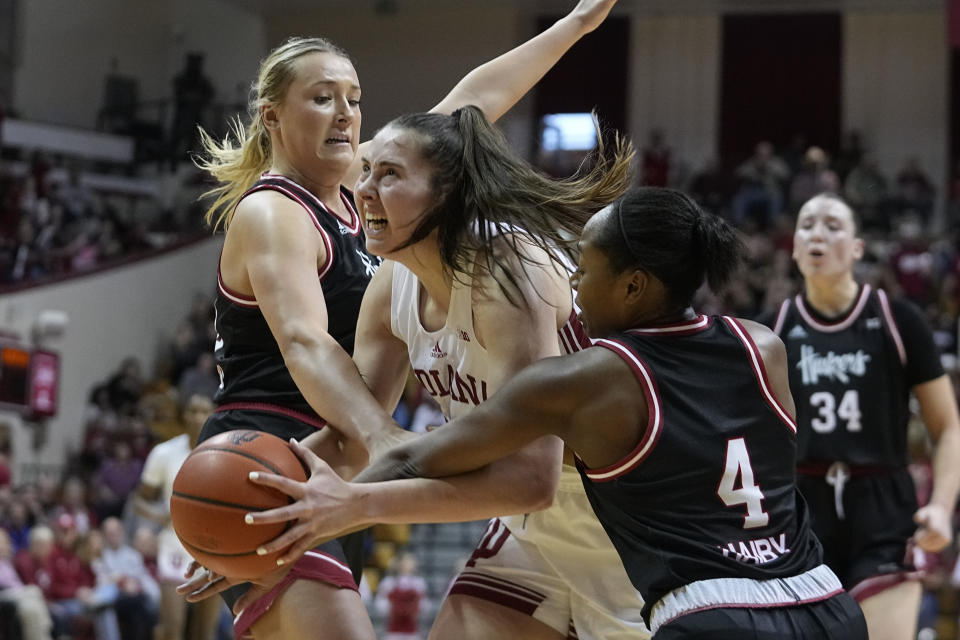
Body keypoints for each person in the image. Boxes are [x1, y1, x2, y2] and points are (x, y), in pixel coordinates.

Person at [241, 187, 868, 638]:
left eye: (586, 271)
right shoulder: (764, 346)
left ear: (633, 285)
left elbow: (416, 455)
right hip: (822, 598)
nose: (571, 286)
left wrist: (323, 513)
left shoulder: (588, 378)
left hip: (703, 611)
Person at [180, 3, 623, 639]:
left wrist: (574, 24)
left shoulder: (390, 200)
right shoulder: (277, 210)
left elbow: (467, 107)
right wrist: (382, 441)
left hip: (352, 455)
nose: (345, 113)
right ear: (272, 115)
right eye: (323, 97)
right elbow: (305, 342)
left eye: (354, 98)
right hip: (277, 439)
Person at [762, 193, 960, 640]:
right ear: (793, 248)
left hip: (884, 505)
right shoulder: (769, 331)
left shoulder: (898, 320)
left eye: (832, 225)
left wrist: (943, 507)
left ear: (856, 248)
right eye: (807, 224)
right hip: (799, 509)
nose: (817, 233)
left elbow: (947, 427)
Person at [134, 393, 222, 640]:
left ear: (213, 415)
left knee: (205, 632)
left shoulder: (227, 453)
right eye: (192, 411)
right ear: (183, 415)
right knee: (171, 627)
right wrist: (156, 520)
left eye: (203, 411)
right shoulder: (164, 453)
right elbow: (139, 499)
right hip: (174, 544)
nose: (197, 416)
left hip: (212, 548)